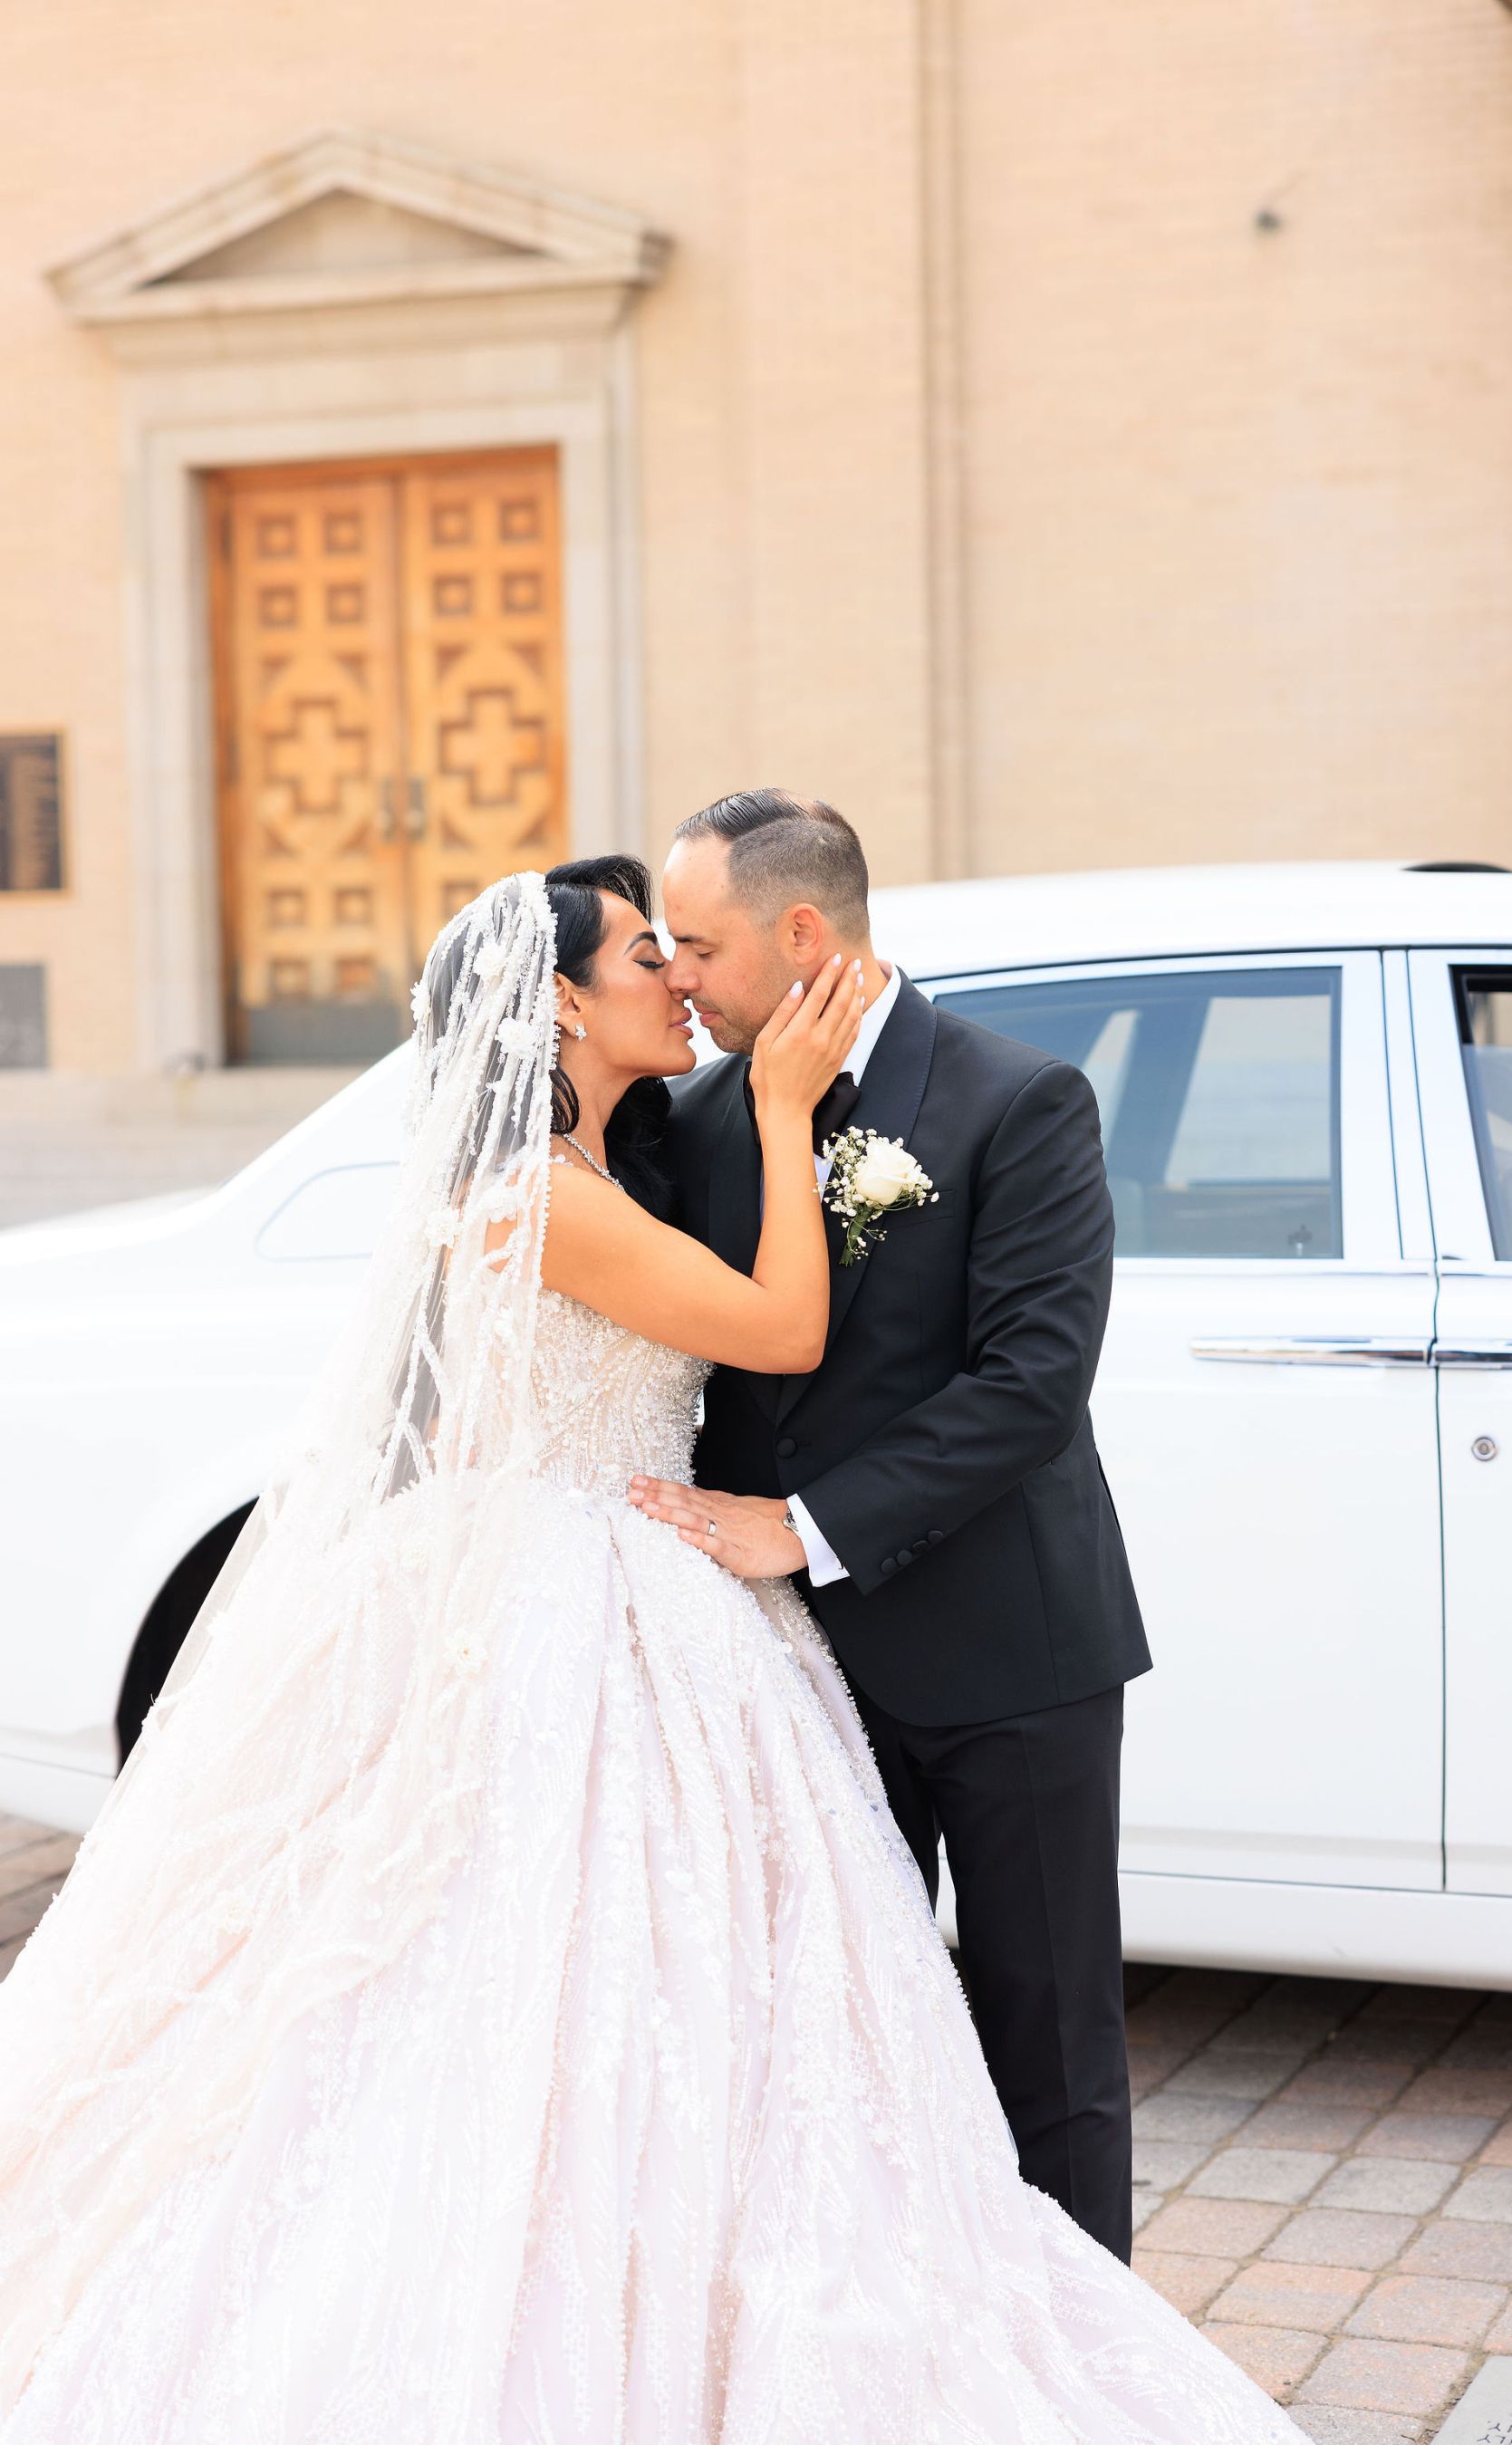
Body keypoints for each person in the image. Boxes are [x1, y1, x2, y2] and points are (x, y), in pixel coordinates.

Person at [0, 856, 1296, 2443]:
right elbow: (777, 1336)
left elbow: (990, 1371)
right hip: (591, 1605)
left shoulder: (668, 1147)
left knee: (811, 2022)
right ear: (554, 999)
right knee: (556, 1996)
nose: (677, 978)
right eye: (643, 951)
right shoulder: (560, 1184)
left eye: (691, 944)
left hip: (746, 1613)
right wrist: (780, 1113)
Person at [646, 788, 1149, 2261]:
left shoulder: (1018, 1099)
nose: (679, 976)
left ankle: (1085, 2375)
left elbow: (1033, 1386)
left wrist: (801, 1525)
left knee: (1048, 2050)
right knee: (832, 2045)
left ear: (800, 934)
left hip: (1012, 1658)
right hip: (795, 1672)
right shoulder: (691, 1120)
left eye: (699, 944)